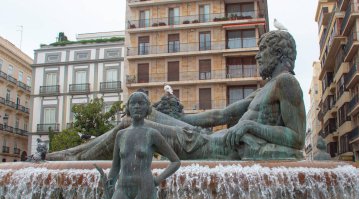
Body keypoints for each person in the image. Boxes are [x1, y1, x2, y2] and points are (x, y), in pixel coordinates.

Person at [47, 30, 305, 161]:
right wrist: (182, 118)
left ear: (278, 53)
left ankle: (72, 158)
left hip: (212, 149)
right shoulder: (265, 89)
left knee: (130, 125)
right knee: (145, 109)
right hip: (207, 139)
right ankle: (73, 154)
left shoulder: (287, 83)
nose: (257, 56)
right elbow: (220, 114)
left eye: (262, 50)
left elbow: (296, 139)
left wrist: (250, 126)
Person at [107, 92, 180, 199]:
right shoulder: (121, 135)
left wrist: (157, 180)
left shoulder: (152, 134)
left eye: (141, 103)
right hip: (122, 187)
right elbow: (115, 167)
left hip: (145, 188)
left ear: (147, 108)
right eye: (133, 103)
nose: (136, 106)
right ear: (128, 108)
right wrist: (108, 185)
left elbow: (176, 161)